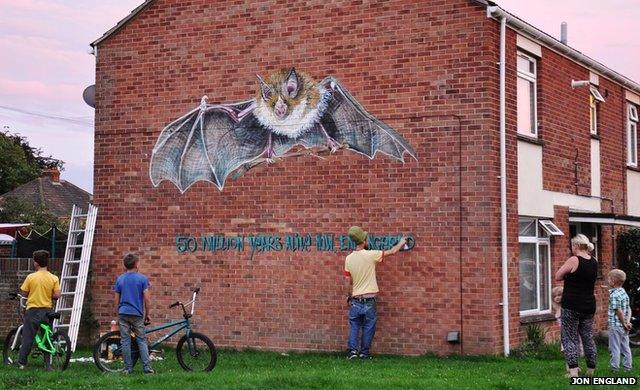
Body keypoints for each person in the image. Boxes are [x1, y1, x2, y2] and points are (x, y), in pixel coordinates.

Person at [343, 226, 407, 359]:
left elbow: (347, 281)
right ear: (364, 240)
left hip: (355, 299)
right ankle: (364, 353)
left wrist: (348, 296)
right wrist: (402, 242)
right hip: (369, 300)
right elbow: (393, 251)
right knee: (368, 327)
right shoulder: (371, 254)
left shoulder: (348, 259)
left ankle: (352, 352)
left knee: (354, 326)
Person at [555, 234, 598, 377]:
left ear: (577, 246)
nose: (571, 248)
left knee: (569, 337)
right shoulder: (594, 261)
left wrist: (568, 276)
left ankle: (573, 372)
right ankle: (591, 370)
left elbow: (558, 275)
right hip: (589, 305)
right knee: (587, 337)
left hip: (572, 305)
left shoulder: (574, 259)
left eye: (572, 245)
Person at [17, 250, 61, 370]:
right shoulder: (54, 278)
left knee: (28, 337)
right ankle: (48, 364)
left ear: (36, 263)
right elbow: (57, 295)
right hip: (47, 311)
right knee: (46, 337)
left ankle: (22, 363)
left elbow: (24, 293)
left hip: (33, 311)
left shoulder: (31, 277)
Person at [113, 253, 154, 374]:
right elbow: (147, 298)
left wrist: (117, 313)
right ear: (136, 264)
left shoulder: (120, 279)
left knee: (125, 341)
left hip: (123, 313)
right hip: (137, 314)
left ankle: (128, 368)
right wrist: (147, 314)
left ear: (125, 265)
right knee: (141, 340)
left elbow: (116, 299)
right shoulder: (142, 279)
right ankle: (147, 367)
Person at [606, 269, 632, 372]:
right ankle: (627, 367)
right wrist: (627, 322)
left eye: (608, 279)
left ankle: (615, 368)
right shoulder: (623, 292)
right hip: (624, 326)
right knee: (625, 347)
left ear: (612, 281)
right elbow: (628, 308)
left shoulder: (614, 295)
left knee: (614, 347)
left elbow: (619, 311)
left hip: (616, 325)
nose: (607, 281)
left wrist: (623, 323)